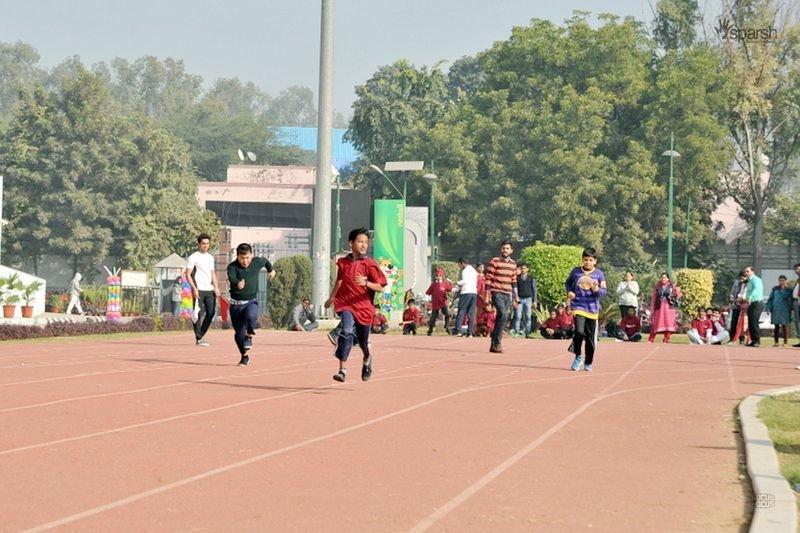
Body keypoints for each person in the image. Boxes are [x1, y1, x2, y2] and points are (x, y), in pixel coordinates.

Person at [324, 227, 387, 383]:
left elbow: (380, 286)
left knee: (364, 343)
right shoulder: (343, 263)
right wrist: (331, 297)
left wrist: (366, 283)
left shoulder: (370, 264)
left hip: (364, 308)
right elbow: (339, 280)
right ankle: (342, 370)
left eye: (366, 242)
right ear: (351, 243)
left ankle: (367, 358)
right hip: (346, 304)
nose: (364, 245)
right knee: (345, 332)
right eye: (360, 241)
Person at [226, 243, 276, 365]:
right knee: (238, 336)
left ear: (251, 255)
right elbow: (232, 278)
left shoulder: (256, 262)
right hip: (235, 305)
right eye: (242, 258)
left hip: (250, 302)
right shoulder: (232, 267)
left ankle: (249, 336)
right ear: (237, 256)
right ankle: (244, 356)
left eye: (247, 257)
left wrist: (271, 270)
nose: (245, 261)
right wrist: (238, 283)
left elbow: (265, 261)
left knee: (251, 316)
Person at [565, 248, 607, 371]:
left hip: (592, 309)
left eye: (590, 260)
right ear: (582, 260)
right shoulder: (576, 272)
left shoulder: (599, 274)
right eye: (585, 260)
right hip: (578, 306)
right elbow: (568, 283)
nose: (587, 262)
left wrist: (597, 290)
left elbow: (604, 291)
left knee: (590, 339)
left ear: (595, 261)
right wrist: (569, 292)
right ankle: (578, 356)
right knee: (579, 332)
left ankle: (588, 362)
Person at [186, 233, 220, 347]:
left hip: (209, 290)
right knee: (197, 314)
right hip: (198, 289)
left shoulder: (210, 257)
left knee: (211, 313)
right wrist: (194, 288)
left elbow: (212, 273)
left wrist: (216, 287)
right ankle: (199, 338)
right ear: (199, 244)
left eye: (207, 244)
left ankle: (200, 335)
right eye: (203, 244)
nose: (205, 246)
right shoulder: (193, 257)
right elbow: (188, 274)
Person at [485, 240, 517, 353]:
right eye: (503, 248)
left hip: (507, 294)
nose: (505, 250)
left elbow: (514, 281)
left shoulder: (513, 264)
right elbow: (488, 279)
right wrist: (487, 296)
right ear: (500, 249)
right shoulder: (494, 261)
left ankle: (493, 344)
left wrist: (516, 297)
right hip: (496, 292)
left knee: (501, 317)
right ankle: (497, 343)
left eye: (507, 248)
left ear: (511, 251)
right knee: (503, 315)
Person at [648, 273, 682, 343]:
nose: (663, 279)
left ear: (668, 279)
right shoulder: (657, 286)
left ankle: (666, 339)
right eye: (662, 277)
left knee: (668, 323)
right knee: (655, 322)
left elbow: (679, 295)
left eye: (665, 277)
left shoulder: (672, 286)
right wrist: (652, 307)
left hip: (669, 308)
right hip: (659, 307)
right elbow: (654, 297)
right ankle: (651, 339)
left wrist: (677, 291)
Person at [453, 258, 479, 337]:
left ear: (463, 263)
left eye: (459, 265)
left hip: (466, 293)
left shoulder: (465, 271)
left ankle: (458, 330)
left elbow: (465, 281)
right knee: (471, 313)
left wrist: (457, 282)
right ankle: (470, 332)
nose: (459, 266)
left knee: (461, 311)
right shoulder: (474, 270)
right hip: (473, 293)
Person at [766, 275, 792, 347]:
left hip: (785, 309)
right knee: (776, 326)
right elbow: (770, 298)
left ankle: (785, 342)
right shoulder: (775, 289)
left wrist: (783, 289)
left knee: (785, 326)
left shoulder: (789, 289)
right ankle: (776, 342)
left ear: (786, 281)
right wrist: (768, 307)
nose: (781, 282)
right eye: (780, 280)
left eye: (783, 280)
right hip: (775, 309)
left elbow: (787, 298)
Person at [513, 263, 538, 338]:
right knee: (518, 316)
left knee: (528, 316)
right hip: (519, 299)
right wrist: (515, 298)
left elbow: (534, 289)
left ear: (527, 269)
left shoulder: (531, 278)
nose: (522, 270)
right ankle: (517, 332)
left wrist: (535, 301)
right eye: (521, 268)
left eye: (524, 268)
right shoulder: (517, 278)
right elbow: (515, 289)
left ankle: (527, 332)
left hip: (528, 299)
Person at [425, 268, 452, 335]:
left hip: (443, 302)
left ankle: (447, 327)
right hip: (436, 303)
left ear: (442, 276)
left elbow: (450, 289)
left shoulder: (445, 283)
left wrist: (450, 282)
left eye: (439, 276)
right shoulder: (433, 284)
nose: (438, 277)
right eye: (437, 276)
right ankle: (430, 330)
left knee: (447, 314)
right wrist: (427, 301)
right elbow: (428, 292)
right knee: (433, 317)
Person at [743, 266, 764, 347]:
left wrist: (750, 297)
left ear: (753, 271)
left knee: (754, 322)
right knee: (751, 322)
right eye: (745, 272)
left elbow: (756, 289)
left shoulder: (756, 279)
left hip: (757, 303)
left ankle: (757, 341)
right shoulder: (749, 281)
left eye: (748, 271)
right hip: (751, 303)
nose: (746, 273)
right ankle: (753, 340)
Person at [728, 271, 748, 343]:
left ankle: (742, 338)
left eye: (743, 278)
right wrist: (733, 299)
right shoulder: (736, 283)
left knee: (742, 322)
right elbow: (732, 293)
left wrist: (743, 300)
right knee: (734, 321)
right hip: (736, 305)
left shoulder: (748, 284)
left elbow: (747, 294)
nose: (741, 279)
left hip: (744, 306)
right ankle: (732, 338)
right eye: (740, 278)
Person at [792, 263, 800, 348]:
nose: (796, 271)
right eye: (795, 269)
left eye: (798, 268)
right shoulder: (798, 279)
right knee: (797, 322)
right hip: (796, 301)